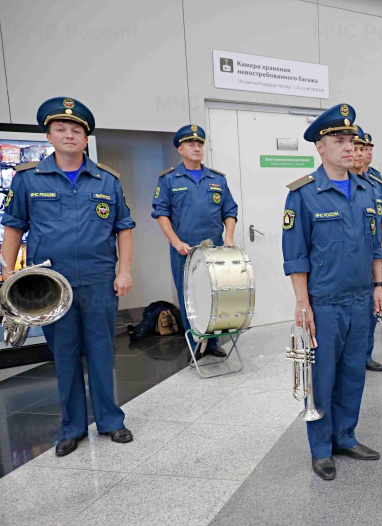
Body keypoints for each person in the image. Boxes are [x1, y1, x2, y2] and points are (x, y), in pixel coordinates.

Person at [1, 97, 135, 456]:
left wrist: (124, 270)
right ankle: (72, 428)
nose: (69, 134)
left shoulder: (106, 180)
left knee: (102, 351)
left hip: (99, 280)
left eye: (77, 129)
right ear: (50, 135)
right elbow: (13, 226)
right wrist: (7, 271)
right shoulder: (29, 179)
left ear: (86, 138)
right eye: (61, 128)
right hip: (49, 285)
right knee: (65, 354)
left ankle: (111, 421)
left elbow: (124, 227)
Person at [282, 103, 382, 480]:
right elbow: (295, 256)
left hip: (361, 299)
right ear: (320, 147)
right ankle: (321, 448)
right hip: (324, 304)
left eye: (351, 140)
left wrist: (378, 285)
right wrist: (302, 303)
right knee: (322, 378)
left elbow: (375, 245)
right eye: (337, 140)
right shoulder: (303, 194)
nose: (348, 146)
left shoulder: (367, 189)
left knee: (353, 374)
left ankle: (345, 436)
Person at [151, 125, 238, 358]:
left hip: (215, 247)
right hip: (185, 249)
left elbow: (230, 210)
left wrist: (228, 237)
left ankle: (212, 344)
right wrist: (175, 241)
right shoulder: (169, 179)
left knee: (215, 295)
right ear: (180, 149)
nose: (196, 148)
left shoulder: (217, 179)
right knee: (188, 296)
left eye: (199, 144)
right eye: (191, 144)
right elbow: (161, 214)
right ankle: (194, 344)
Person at [362, 130, 382, 372]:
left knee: (374, 304)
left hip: (374, 253)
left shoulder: (376, 179)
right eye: (361, 147)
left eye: (368, 148)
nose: (365, 152)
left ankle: (365, 354)